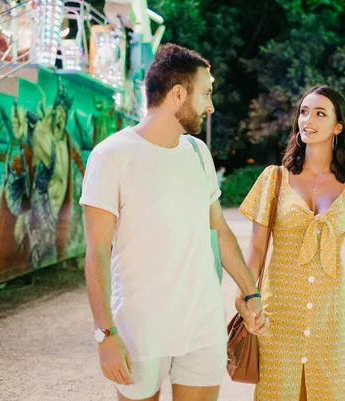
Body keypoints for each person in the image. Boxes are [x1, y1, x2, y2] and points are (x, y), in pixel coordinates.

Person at [80, 43, 266, 401]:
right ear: (178, 94)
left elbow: (219, 230)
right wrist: (105, 333)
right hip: (140, 327)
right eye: (206, 93)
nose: (210, 106)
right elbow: (97, 253)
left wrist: (251, 291)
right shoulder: (111, 156)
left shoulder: (198, 154)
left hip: (202, 325)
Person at [237, 85, 345, 401]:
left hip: (330, 315)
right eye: (304, 112)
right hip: (279, 315)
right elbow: (257, 249)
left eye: (320, 113)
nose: (308, 119)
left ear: (338, 126)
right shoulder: (273, 179)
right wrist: (246, 297)